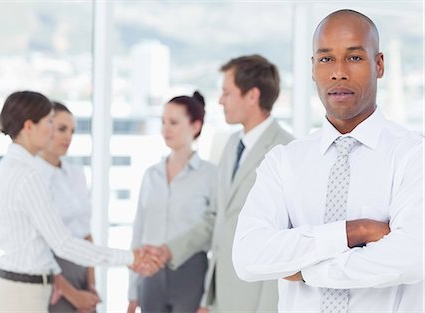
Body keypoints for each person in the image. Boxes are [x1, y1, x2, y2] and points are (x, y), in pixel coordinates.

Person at [233, 9, 424, 313]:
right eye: (326, 59)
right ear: (312, 68)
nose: (338, 72)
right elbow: (248, 257)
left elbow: (412, 258)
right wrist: (353, 232)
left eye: (354, 57)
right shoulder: (284, 162)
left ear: (379, 64)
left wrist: (307, 272)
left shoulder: (414, 156)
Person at [0, 91, 161, 313]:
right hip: (23, 292)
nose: (52, 130)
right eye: (49, 122)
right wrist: (129, 257)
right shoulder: (28, 175)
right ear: (29, 126)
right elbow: (62, 243)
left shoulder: (8, 167)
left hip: (16, 288)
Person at [147, 55, 294, 312]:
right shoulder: (230, 146)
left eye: (227, 93)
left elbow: (285, 239)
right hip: (224, 295)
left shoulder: (286, 150)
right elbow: (217, 218)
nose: (220, 100)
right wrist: (169, 251)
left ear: (252, 96)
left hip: (259, 301)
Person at [127, 91, 216, 313]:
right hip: (149, 274)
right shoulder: (151, 175)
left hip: (191, 274)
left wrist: (207, 300)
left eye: (174, 122)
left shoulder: (211, 175)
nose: (165, 129)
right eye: (163, 122)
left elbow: (215, 235)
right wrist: (132, 290)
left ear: (195, 126)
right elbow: (139, 230)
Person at [35, 102, 99, 312]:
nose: (68, 137)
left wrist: (91, 286)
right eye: (62, 129)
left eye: (72, 131)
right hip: (53, 279)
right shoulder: (33, 177)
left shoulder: (76, 173)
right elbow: (37, 247)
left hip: (82, 271)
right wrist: (72, 294)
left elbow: (86, 232)